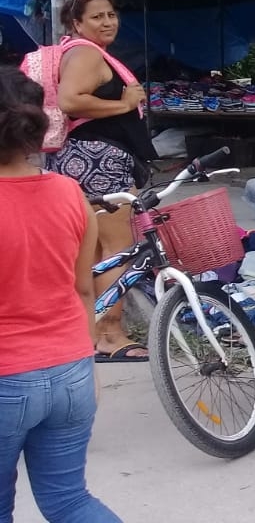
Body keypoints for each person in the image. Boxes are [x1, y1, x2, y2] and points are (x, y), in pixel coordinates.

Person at [0, 66, 122, 522]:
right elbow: (82, 288)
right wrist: (84, 361)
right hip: (69, 372)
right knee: (70, 502)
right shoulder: (70, 194)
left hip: (6, 377)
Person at [46, 0, 156, 363]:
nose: (107, 22)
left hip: (83, 158)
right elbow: (70, 100)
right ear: (77, 24)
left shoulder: (82, 51)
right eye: (96, 16)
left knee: (93, 250)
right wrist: (123, 103)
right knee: (115, 247)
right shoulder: (84, 54)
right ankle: (110, 333)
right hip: (98, 160)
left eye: (110, 14)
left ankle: (93, 331)